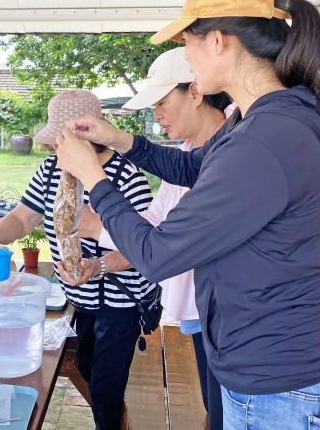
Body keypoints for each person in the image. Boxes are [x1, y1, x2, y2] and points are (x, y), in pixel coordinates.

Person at [56, 0, 320, 430]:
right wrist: (118, 139)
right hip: (274, 369)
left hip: (279, 385)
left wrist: (94, 180)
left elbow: (158, 254)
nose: (189, 57)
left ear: (217, 40)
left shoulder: (266, 138)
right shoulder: (261, 121)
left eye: (187, 42)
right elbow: (193, 168)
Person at [69, 47, 231, 430]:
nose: (156, 115)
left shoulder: (230, 156)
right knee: (215, 407)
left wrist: (98, 212)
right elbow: (155, 221)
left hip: (227, 318)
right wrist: (99, 250)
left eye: (162, 101)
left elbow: (162, 246)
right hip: (200, 310)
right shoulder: (191, 154)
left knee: (225, 413)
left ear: (195, 91)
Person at [0, 89, 155, 430]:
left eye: (61, 141)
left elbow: (145, 249)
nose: (55, 151)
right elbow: (24, 217)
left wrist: (98, 264)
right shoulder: (51, 170)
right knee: (88, 369)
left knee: (105, 387)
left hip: (120, 304)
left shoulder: (126, 178)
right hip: (80, 300)